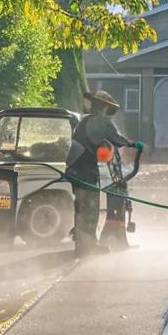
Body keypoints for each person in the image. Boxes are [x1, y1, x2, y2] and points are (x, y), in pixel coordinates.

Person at [65, 90, 136, 257]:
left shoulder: (85, 120)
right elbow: (117, 139)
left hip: (74, 167)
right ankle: (88, 247)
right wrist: (134, 145)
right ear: (105, 107)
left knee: (81, 207)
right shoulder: (101, 122)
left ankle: (81, 245)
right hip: (85, 168)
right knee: (90, 206)